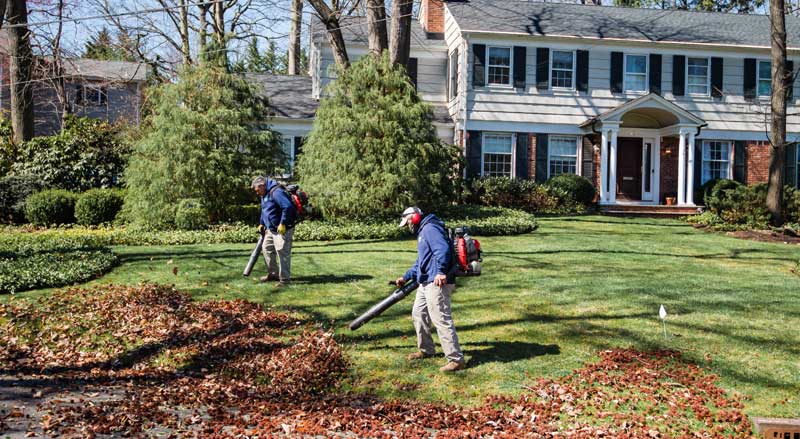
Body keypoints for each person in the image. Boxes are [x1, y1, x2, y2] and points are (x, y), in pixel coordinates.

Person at [395, 206, 465, 373]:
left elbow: (443, 250)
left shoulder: (430, 228)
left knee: (441, 318)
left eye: (408, 221)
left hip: (437, 281)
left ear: (415, 217)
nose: (409, 226)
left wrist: (441, 272)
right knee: (418, 313)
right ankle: (426, 349)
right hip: (425, 281)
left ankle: (456, 359)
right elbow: (422, 260)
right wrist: (406, 277)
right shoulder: (423, 230)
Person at [252, 176, 297, 287]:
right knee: (267, 249)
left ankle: (285, 280)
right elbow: (265, 209)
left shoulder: (276, 192)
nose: (257, 193)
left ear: (262, 186)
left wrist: (283, 223)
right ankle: (273, 274)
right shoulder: (264, 194)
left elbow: (288, 207)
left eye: (257, 190)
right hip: (270, 230)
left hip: (282, 229)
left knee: (282, 253)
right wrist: (261, 222)